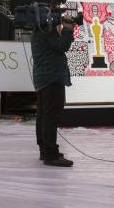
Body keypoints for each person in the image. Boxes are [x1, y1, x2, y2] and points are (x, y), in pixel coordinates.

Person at [31, 17, 77, 167]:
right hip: (52, 78)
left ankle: (45, 150)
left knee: (43, 116)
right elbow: (62, 46)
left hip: (43, 78)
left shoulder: (38, 31)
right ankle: (51, 154)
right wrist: (68, 29)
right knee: (51, 117)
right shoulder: (46, 31)